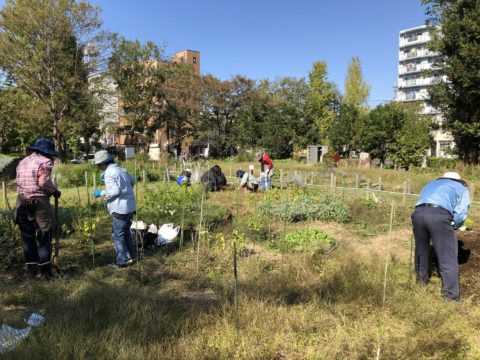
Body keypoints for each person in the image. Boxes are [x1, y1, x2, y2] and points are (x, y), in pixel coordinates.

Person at [412, 171, 470, 303]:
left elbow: (421, 200)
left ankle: (421, 283)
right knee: (447, 256)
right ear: (459, 181)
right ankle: (450, 296)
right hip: (439, 215)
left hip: (418, 213)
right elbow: (461, 213)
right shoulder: (461, 188)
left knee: (421, 251)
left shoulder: (431, 184)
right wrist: (454, 225)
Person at [15, 138, 61, 279]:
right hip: (39, 203)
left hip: (22, 201)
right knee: (43, 237)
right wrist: (54, 191)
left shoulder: (22, 162)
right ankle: (46, 273)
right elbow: (43, 182)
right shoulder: (44, 162)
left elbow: (18, 181)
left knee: (27, 238)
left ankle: (32, 272)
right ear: (46, 152)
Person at [93, 150, 136, 268]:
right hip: (130, 207)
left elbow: (115, 191)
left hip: (119, 208)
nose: (98, 167)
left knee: (117, 236)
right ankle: (131, 257)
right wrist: (127, 190)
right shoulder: (122, 169)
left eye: (98, 165)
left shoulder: (109, 172)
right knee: (126, 233)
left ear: (103, 163)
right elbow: (133, 180)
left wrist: (101, 192)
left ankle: (121, 262)